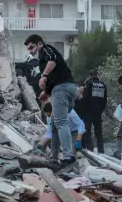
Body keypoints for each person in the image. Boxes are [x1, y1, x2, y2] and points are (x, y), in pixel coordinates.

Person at [24, 34, 77, 165]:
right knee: (54, 125)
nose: (31, 51)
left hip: (62, 88)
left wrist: (43, 76)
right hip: (65, 88)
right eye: (28, 49)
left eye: (32, 47)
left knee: (60, 121)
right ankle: (54, 158)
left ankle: (68, 157)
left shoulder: (46, 49)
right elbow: (54, 77)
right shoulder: (43, 61)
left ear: (39, 44)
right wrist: (46, 92)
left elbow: (53, 60)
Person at [81, 69, 107, 153]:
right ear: (97, 75)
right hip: (98, 111)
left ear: (90, 75)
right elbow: (105, 99)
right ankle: (101, 150)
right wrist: (101, 109)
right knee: (98, 132)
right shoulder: (103, 85)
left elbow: (84, 97)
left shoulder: (89, 84)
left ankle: (90, 149)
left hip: (88, 111)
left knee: (87, 130)